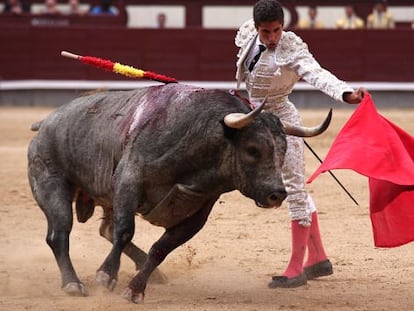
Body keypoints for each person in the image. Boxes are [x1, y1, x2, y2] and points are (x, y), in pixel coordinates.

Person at [235, 0, 366, 288]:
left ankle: (297, 267)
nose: (272, 38)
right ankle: (317, 257)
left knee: (294, 187)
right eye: (266, 32)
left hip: (283, 123)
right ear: (256, 28)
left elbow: (318, 74)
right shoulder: (247, 37)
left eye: (277, 31)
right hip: (254, 120)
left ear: (284, 26)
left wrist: (345, 94)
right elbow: (246, 74)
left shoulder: (291, 50)